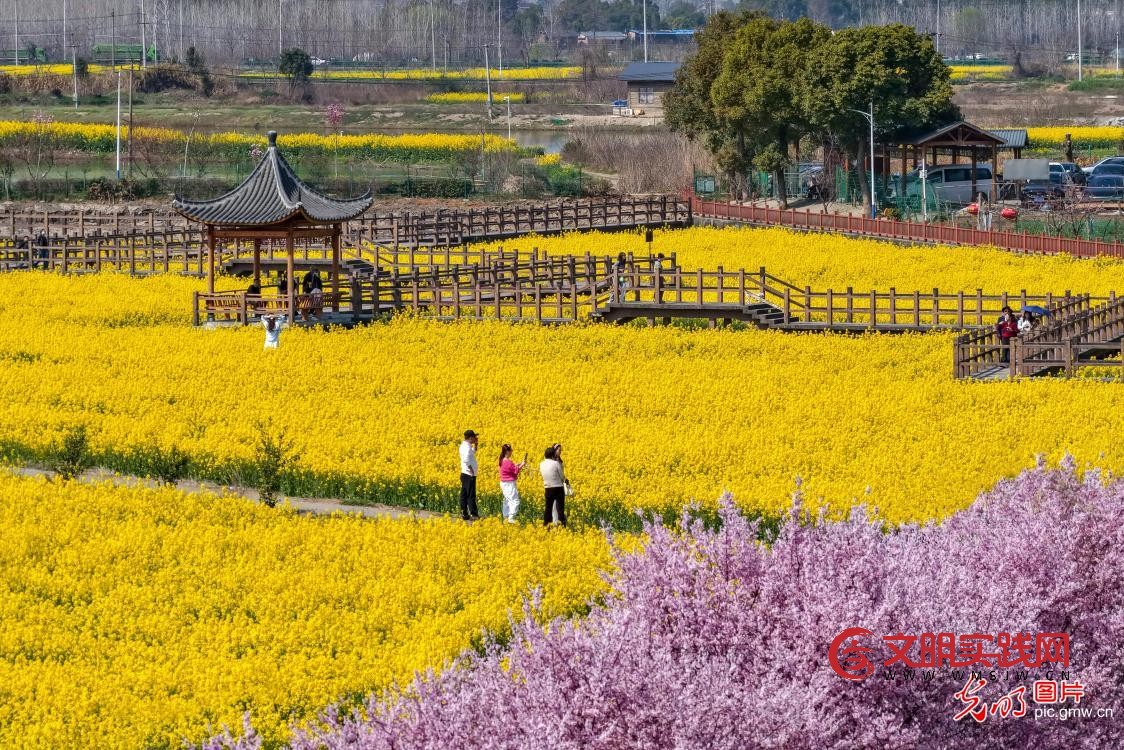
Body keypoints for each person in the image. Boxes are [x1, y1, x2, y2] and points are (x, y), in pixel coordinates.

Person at [539, 444, 568, 527]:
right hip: (558, 488)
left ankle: (546, 525)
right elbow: (562, 476)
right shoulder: (556, 463)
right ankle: (561, 525)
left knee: (548, 508)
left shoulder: (541, 464)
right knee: (560, 508)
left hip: (547, 488)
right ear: (552, 455)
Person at [498, 443, 527, 523]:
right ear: (507, 451)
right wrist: (522, 464)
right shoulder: (508, 462)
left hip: (504, 483)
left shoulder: (502, 460)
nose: (512, 451)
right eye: (511, 450)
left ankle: (506, 517)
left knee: (507, 500)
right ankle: (511, 518)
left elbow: (511, 468)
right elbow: (516, 471)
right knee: (515, 500)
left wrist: (517, 465)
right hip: (509, 484)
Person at [459, 429, 480, 521]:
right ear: (470, 437)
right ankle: (473, 514)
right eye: (474, 437)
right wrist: (471, 470)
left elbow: (472, 453)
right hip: (469, 474)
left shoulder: (466, 446)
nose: (476, 438)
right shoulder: (466, 448)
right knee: (471, 495)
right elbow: (466, 460)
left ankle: (464, 513)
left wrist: (476, 445)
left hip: (465, 474)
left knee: (464, 494)